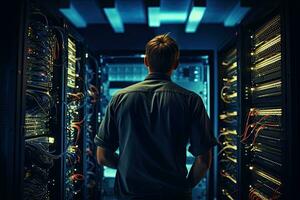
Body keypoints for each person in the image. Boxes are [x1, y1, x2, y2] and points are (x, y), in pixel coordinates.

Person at [94, 34, 217, 200]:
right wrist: (184, 187)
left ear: (146, 62)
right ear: (176, 64)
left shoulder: (119, 98)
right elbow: (203, 161)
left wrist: (129, 168)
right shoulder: (191, 100)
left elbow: (103, 157)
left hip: (130, 194)